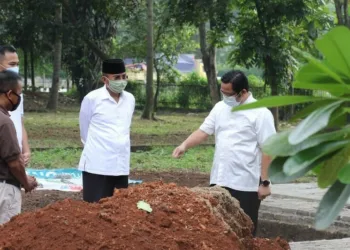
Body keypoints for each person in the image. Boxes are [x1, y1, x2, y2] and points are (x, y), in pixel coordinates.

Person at [172, 70, 276, 236]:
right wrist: (184, 145)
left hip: (245, 185)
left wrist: (265, 182)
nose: (225, 97)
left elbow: (268, 148)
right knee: (219, 232)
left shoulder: (261, 113)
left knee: (244, 233)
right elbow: (204, 131)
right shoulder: (220, 108)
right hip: (220, 181)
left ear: (243, 92)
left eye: (229, 94)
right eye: (223, 93)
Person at [79, 59, 135, 203]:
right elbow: (84, 130)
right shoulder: (92, 99)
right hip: (97, 167)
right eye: (116, 78)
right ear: (105, 79)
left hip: (121, 165)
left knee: (119, 210)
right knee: (95, 210)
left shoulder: (130, 99)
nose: (121, 81)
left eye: (124, 76)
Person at [0, 71, 37, 224]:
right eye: (19, 94)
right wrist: (26, 182)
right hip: (4, 189)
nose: (19, 99)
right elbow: (14, 163)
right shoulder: (5, 123)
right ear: (9, 94)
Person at [0, 45, 31, 166]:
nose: (16, 68)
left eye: (17, 64)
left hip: (15, 153)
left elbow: (20, 121)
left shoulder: (17, 92)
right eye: (12, 64)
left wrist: (26, 149)